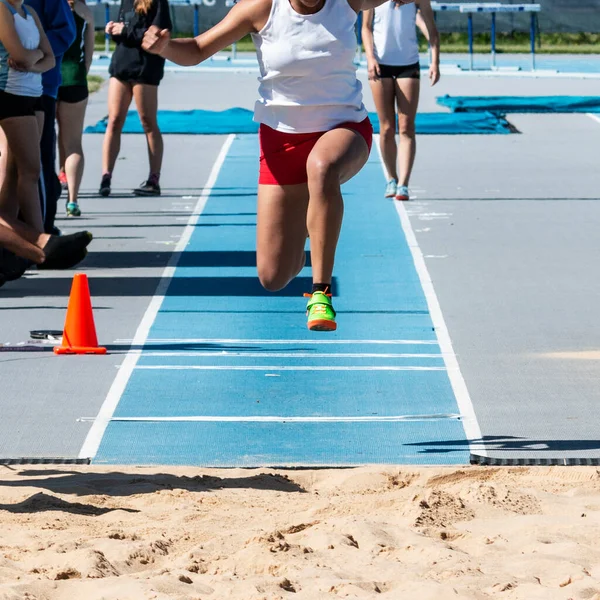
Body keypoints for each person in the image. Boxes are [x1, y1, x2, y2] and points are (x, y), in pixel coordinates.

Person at [142, 0, 414, 331]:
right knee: (273, 276)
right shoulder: (259, 8)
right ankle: (301, 234)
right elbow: (198, 49)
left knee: (322, 166)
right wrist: (166, 46)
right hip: (281, 143)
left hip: (344, 128)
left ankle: (321, 294)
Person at [362, 0, 439, 201]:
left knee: (406, 127)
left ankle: (404, 183)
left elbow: (431, 28)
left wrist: (435, 62)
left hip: (408, 64)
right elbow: (366, 28)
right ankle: (392, 178)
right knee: (386, 127)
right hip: (380, 65)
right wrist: (370, 58)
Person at [99, 0, 171, 197]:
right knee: (114, 120)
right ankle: (106, 176)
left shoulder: (158, 2)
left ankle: (153, 179)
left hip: (146, 68)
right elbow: (124, 32)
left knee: (148, 122)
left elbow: (157, 37)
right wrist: (114, 29)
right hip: (122, 65)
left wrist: (125, 30)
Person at [24, 0, 76, 234]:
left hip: (40, 88)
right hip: (7, 87)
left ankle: (43, 228)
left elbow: (66, 32)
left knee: (38, 161)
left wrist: (34, 55)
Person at [57, 0, 94, 217]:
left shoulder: (43, 7)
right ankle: (72, 201)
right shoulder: (84, 10)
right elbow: (88, 55)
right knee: (73, 144)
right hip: (75, 78)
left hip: (46, 77)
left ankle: (40, 196)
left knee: (41, 140)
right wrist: (80, 72)